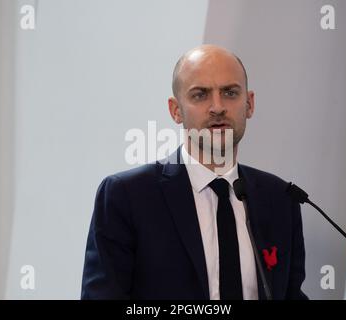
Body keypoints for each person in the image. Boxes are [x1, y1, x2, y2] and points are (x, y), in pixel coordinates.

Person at [81, 44, 308, 300]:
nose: (218, 107)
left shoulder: (280, 198)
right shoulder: (127, 196)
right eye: (200, 95)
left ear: (250, 104)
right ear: (175, 110)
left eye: (230, 93)